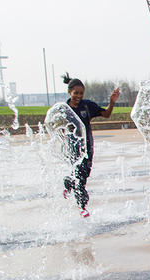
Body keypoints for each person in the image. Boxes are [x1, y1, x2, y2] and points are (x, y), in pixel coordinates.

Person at [61, 73, 120, 217]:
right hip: (72, 147)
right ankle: (82, 206)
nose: (78, 96)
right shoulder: (63, 109)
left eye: (81, 93)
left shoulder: (87, 106)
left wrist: (111, 102)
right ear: (70, 92)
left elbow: (106, 114)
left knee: (84, 174)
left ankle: (68, 184)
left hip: (87, 147)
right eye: (76, 93)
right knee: (80, 176)